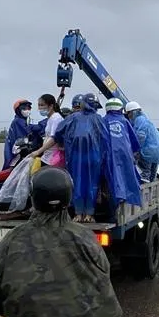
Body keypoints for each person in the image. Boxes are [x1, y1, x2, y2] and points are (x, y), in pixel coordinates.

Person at [0, 167, 122, 317]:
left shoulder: (13, 238)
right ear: (68, 198)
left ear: (33, 197)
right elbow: (104, 275)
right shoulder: (84, 236)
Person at [53, 93, 109, 223]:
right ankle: (89, 214)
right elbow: (106, 139)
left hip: (75, 157)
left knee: (77, 184)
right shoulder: (99, 119)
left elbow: (58, 133)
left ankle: (78, 214)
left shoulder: (72, 118)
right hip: (94, 157)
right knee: (92, 185)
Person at [102, 98, 142, 213]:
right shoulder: (125, 121)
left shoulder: (103, 121)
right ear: (120, 108)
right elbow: (134, 142)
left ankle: (112, 207)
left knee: (110, 180)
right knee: (128, 177)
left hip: (108, 157)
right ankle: (124, 200)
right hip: (125, 156)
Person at [124, 101, 159, 182]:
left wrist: (134, 150)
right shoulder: (146, 120)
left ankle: (143, 187)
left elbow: (140, 136)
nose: (128, 116)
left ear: (133, 112)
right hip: (157, 152)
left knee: (145, 173)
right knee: (152, 175)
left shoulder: (140, 120)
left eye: (128, 113)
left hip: (148, 152)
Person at [29, 94, 65, 167]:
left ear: (51, 106)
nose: (40, 108)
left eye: (42, 105)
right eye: (39, 105)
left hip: (53, 157)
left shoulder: (56, 118)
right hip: (48, 156)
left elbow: (54, 139)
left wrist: (38, 151)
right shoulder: (51, 118)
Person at [3, 99, 32, 170]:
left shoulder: (19, 120)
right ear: (18, 110)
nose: (27, 110)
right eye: (24, 108)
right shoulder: (19, 121)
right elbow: (27, 132)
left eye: (28, 108)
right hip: (17, 151)